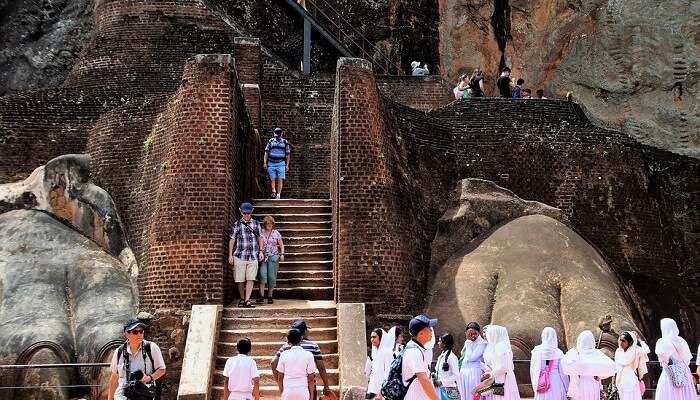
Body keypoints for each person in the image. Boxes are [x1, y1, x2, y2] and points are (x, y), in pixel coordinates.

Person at [108, 319, 166, 400]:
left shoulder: (151, 348)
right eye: (135, 332)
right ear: (126, 334)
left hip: (144, 395)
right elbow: (114, 377)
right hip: (123, 396)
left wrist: (149, 378)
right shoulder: (119, 352)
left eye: (141, 331)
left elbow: (162, 369)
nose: (139, 334)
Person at [272, 320, 331, 398]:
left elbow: (273, 363)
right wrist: (326, 386)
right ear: (305, 332)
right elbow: (321, 368)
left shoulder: (285, 347)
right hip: (307, 387)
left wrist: (281, 385)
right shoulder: (313, 346)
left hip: (288, 388)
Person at [560, 330, 616, 400]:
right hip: (593, 384)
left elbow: (564, 363)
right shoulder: (597, 354)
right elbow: (611, 366)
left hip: (580, 384)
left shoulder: (574, 353)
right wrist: (600, 376)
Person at [229, 202, 265, 308]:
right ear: (241, 212)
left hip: (253, 255)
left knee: (251, 278)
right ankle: (242, 298)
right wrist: (230, 255)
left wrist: (261, 251)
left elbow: (260, 238)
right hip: (240, 255)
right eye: (244, 213)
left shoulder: (256, 224)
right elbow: (232, 239)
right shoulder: (237, 224)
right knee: (240, 279)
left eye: (248, 213)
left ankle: (247, 300)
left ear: (251, 212)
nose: (246, 215)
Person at [654, 318, 696, 400]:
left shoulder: (662, 342)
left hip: (670, 375)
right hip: (684, 375)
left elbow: (663, 360)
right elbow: (687, 359)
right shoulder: (682, 341)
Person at [401, 315, 440, 400]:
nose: (431, 331)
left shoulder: (416, 348)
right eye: (429, 328)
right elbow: (424, 380)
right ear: (421, 334)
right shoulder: (414, 352)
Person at [276, 329, 317, 400]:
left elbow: (280, 378)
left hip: (288, 391)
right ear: (301, 339)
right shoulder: (308, 355)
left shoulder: (283, 355)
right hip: (303, 391)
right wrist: (311, 396)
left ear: (288, 341)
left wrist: (282, 392)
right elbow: (311, 379)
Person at [482, 324, 520, 400]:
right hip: (497, 378)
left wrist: (490, 374)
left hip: (504, 379)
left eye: (488, 333)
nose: (486, 335)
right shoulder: (493, 346)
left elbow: (503, 367)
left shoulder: (501, 347)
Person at [530, 327, 569, 400]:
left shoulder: (537, 351)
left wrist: (535, 385)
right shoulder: (558, 352)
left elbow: (533, 370)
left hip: (542, 381)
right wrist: (567, 388)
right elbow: (563, 373)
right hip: (556, 381)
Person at [257, 215, 284, 304]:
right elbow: (260, 244)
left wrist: (282, 254)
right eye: (267, 223)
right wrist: (260, 252)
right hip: (264, 257)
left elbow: (281, 245)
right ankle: (261, 296)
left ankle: (270, 296)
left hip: (273, 257)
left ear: (273, 224)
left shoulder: (276, 233)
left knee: (272, 277)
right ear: (264, 224)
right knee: (262, 274)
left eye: (271, 223)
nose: (269, 225)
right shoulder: (262, 232)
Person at [614, 331, 648, 400]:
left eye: (623, 341)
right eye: (620, 340)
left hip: (631, 379)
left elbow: (647, 350)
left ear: (629, 342)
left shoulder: (636, 351)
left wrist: (640, 340)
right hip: (620, 379)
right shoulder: (618, 351)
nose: (621, 343)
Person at [457, 322, 486, 400]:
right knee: (464, 395)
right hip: (464, 373)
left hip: (474, 373)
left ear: (478, 333)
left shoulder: (482, 343)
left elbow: (472, 358)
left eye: (475, 333)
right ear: (466, 333)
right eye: (470, 333)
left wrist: (468, 342)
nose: (473, 336)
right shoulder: (468, 342)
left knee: (473, 395)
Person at [365, 327, 396, 398]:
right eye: (371, 337)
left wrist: (381, 392)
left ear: (381, 338)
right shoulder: (375, 354)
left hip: (382, 393)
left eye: (374, 337)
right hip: (373, 391)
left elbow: (388, 373)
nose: (372, 339)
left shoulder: (387, 352)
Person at [264, 127, 291, 199]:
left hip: (281, 163)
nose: (277, 137)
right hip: (271, 162)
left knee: (280, 178)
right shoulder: (270, 141)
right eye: (276, 135)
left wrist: (287, 165)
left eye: (278, 135)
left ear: (281, 134)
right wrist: (265, 163)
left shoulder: (285, 142)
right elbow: (266, 152)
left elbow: (288, 154)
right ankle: (273, 191)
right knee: (272, 178)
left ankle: (278, 194)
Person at [434, 333, 460, 400]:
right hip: (440, 390)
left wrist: (441, 381)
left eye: (439, 341)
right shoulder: (441, 356)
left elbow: (456, 375)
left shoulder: (452, 357)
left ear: (444, 344)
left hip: (449, 391)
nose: (438, 343)